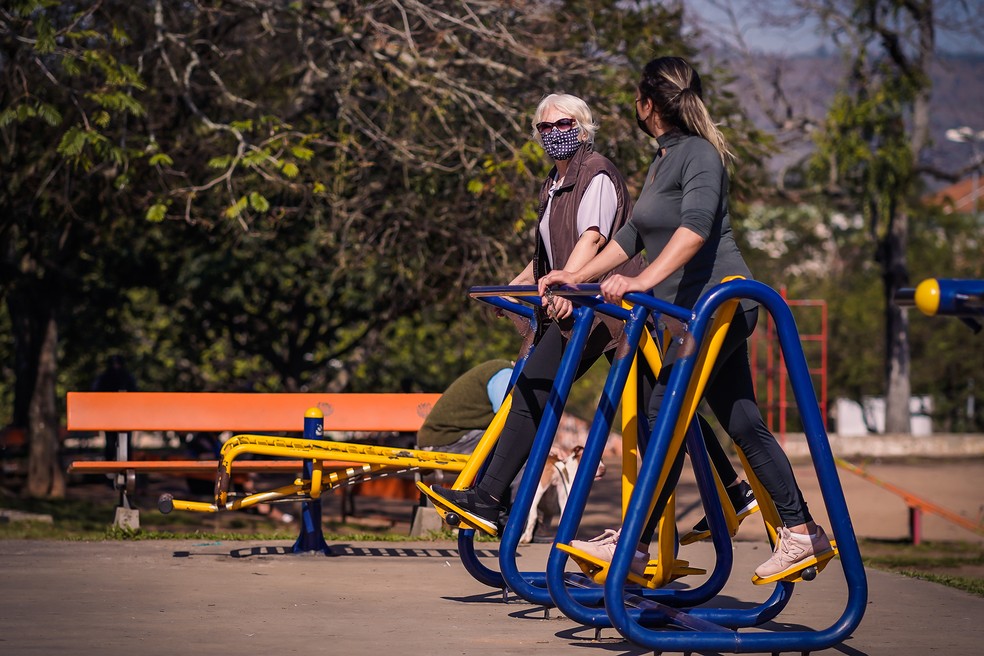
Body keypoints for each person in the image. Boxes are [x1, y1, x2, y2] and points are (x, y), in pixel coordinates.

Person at [540, 56, 832, 582]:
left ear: (649, 104)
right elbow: (630, 238)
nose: (634, 106)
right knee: (742, 422)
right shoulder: (662, 159)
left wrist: (640, 281)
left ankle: (633, 543)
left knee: (660, 418)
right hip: (690, 318)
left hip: (716, 309)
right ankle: (801, 532)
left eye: (636, 98)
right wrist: (575, 276)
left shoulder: (699, 155)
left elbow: (695, 230)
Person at [423, 94, 751, 559]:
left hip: (605, 309)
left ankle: (491, 500)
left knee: (584, 397)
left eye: (562, 123)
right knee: (665, 405)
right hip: (585, 305)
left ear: (582, 126)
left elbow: (591, 239)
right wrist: (515, 288)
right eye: (543, 127)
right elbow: (544, 255)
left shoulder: (595, 174)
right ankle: (732, 490)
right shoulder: (553, 185)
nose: (552, 132)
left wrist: (567, 286)